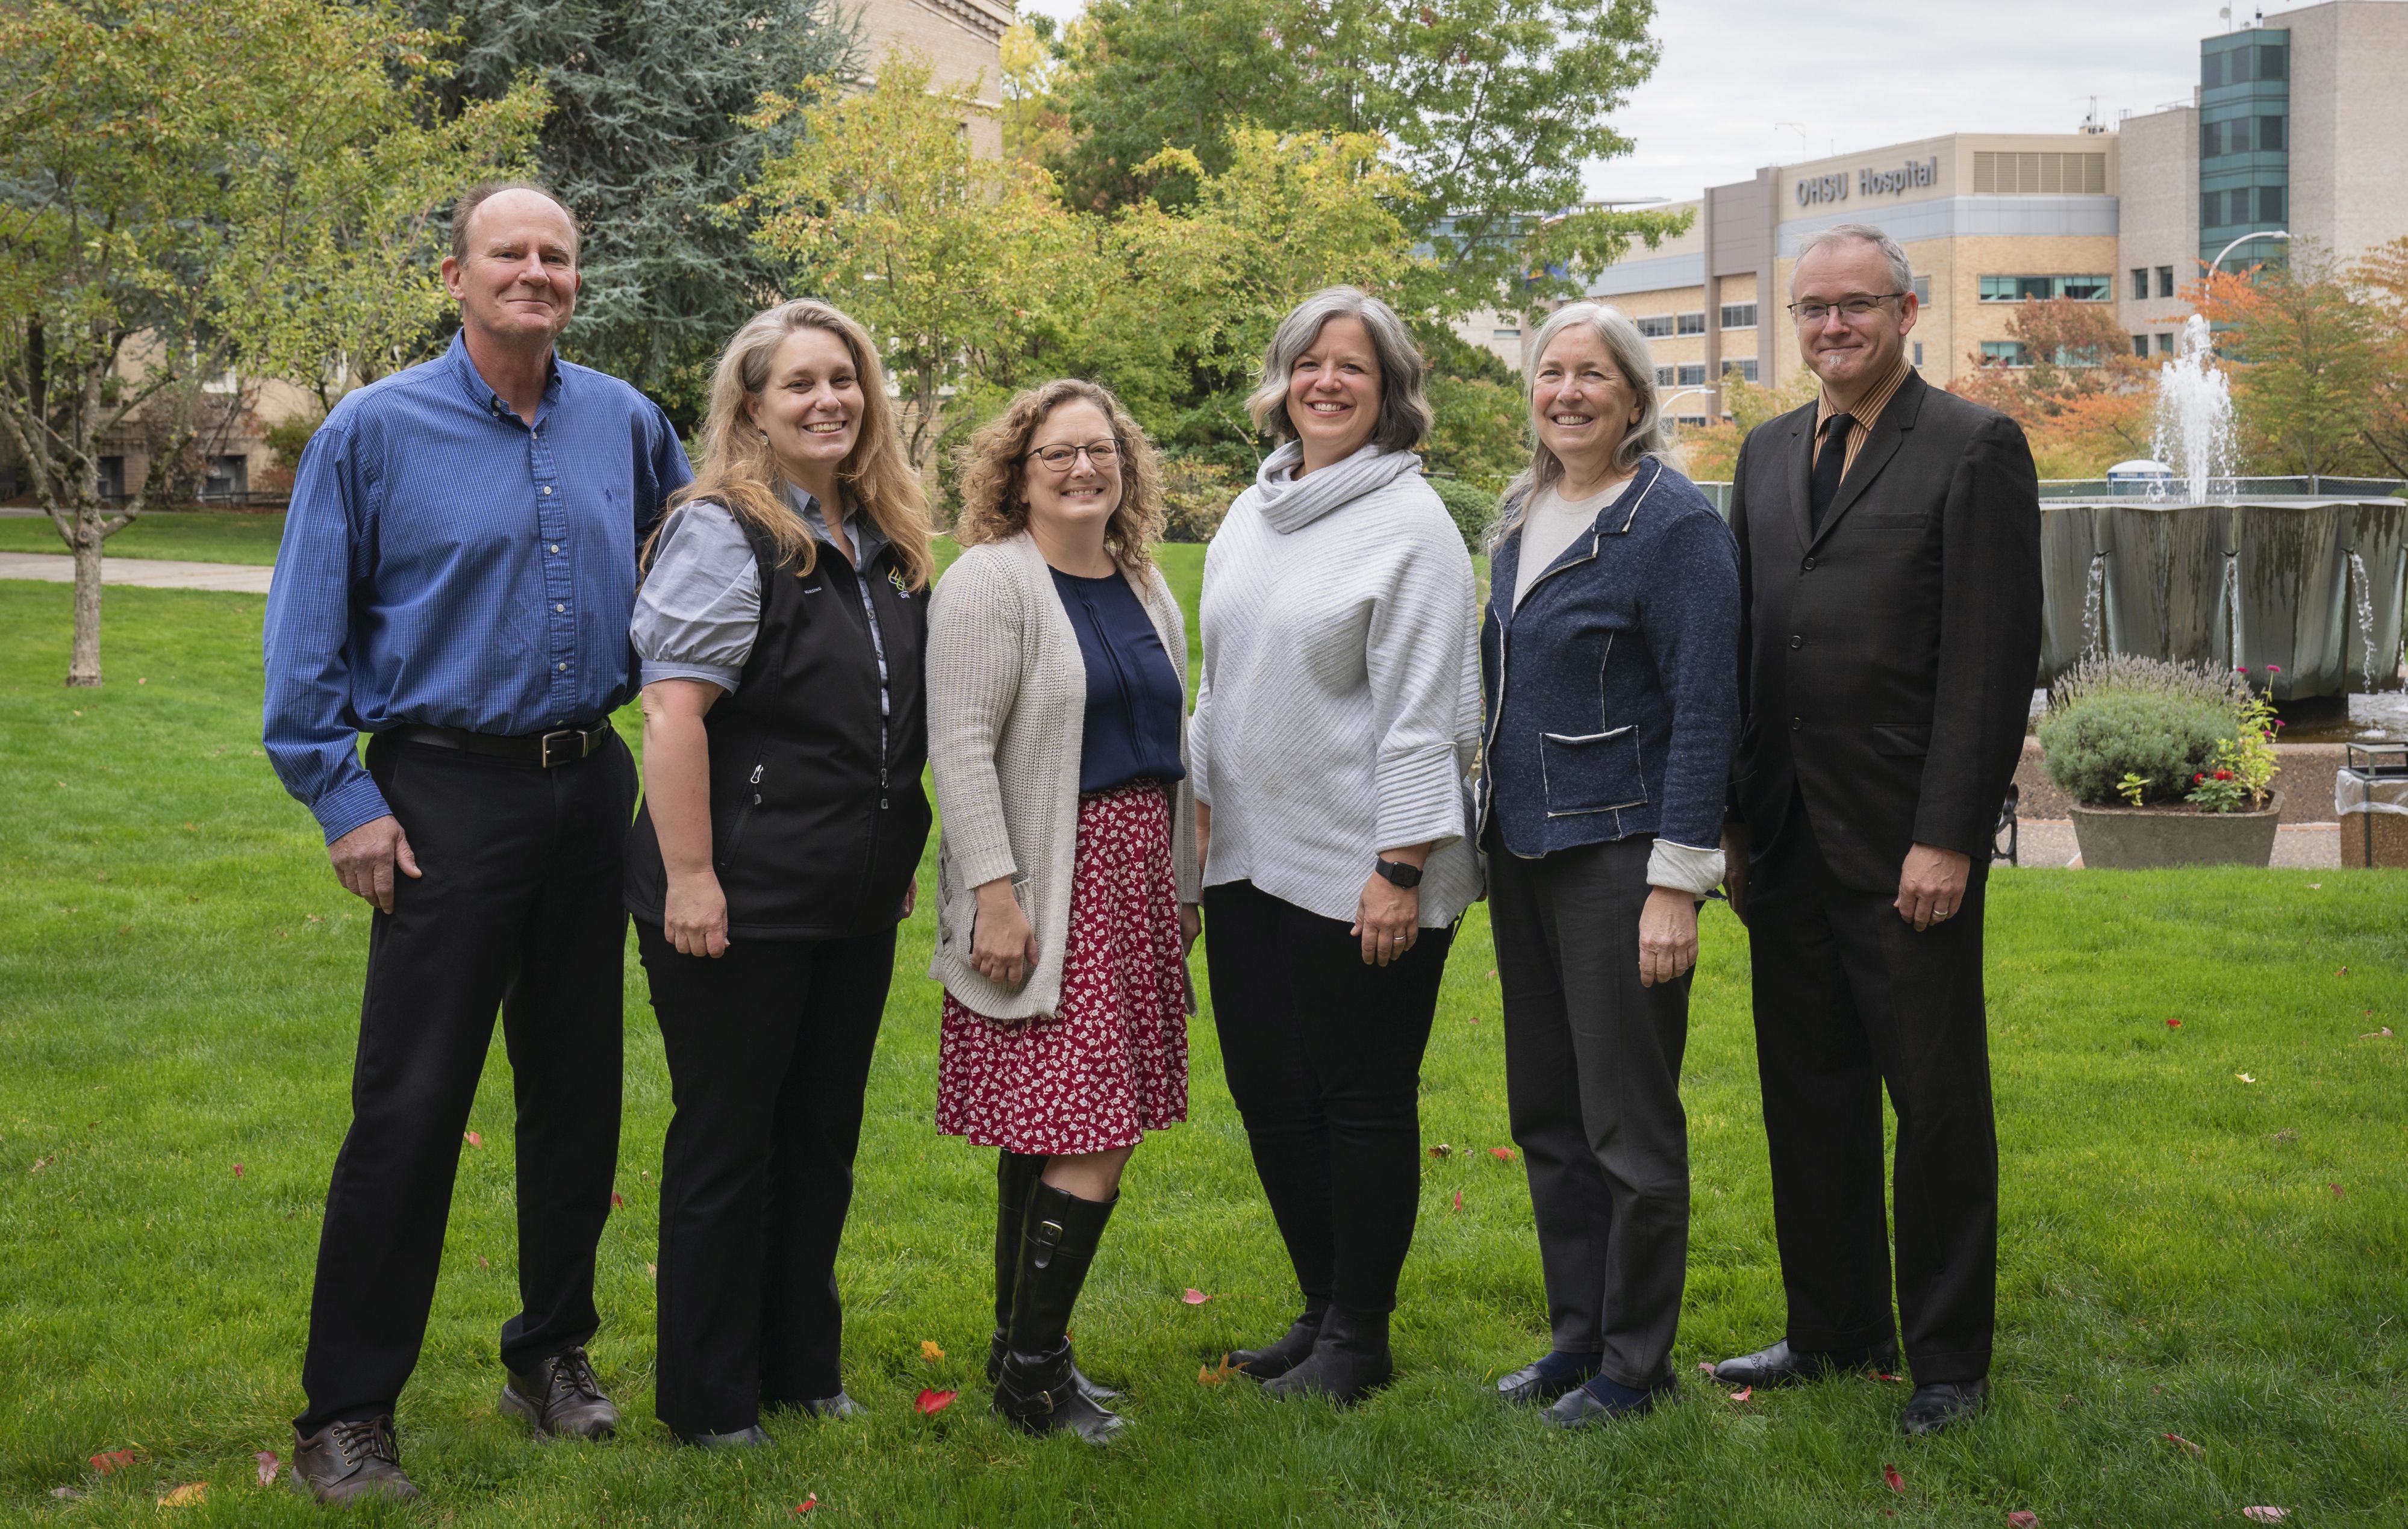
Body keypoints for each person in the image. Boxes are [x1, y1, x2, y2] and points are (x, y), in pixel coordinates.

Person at [261, 182, 691, 1503]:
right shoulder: (373, 432)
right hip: (441, 798)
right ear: (455, 275)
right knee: (409, 1105)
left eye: (557, 255)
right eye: (510, 253)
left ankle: (551, 1353)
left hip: (587, 790)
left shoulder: (627, 423)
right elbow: (305, 639)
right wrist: (346, 801)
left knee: (577, 1097)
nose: (536, 272)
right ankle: (346, 1411)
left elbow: (698, 583)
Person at [1711, 224, 2041, 1436]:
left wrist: (1949, 833)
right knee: (1809, 1099)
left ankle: (1948, 1362)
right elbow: (1749, 648)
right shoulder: (1760, 456)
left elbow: (1990, 660)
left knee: (1937, 1107)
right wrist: (1735, 822)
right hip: (1788, 839)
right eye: (1811, 309)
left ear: (1907, 310)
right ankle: (1831, 1328)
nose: (1832, 328)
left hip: (1908, 844)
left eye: (1855, 306)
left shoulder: (1972, 448)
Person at [620, 299, 935, 1447]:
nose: (828, 402)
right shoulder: (724, 529)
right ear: (750, 405)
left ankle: (801, 1366)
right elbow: (670, 712)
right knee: (727, 1142)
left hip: (846, 899)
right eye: (800, 383)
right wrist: (693, 876)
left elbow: (883, 719)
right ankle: (708, 1402)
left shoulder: (883, 540)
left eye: (844, 380)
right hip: (733, 897)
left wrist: (880, 855)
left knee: (819, 1135)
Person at [1190, 285, 1482, 1404]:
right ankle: (1317, 1309)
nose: (1326, 382)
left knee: (1359, 1098)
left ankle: (1361, 1335)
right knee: (1271, 1093)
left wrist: (1399, 870)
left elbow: (1431, 715)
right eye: (1309, 362)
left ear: (1389, 391)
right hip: (1249, 860)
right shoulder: (1251, 512)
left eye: (1351, 367)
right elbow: (1220, 693)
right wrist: (1198, 843)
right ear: (1280, 379)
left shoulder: (1412, 529)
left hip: (1368, 866)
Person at [1477, 303, 1740, 1427]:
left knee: (1629, 1126)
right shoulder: (1521, 510)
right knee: (1548, 1114)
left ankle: (1634, 1367)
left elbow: (1705, 707)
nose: (1567, 392)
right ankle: (1574, 1340)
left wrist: (1675, 883)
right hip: (1525, 853)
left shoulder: (1671, 525)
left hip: (1620, 859)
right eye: (1551, 373)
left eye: (1593, 375)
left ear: (1634, 398)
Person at [926, 379, 1200, 1445]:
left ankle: (1016, 1355)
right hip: (1049, 878)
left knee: (1050, 1131)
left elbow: (1169, 752)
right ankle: (1036, 1375)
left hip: (1134, 880)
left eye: (1101, 452)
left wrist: (1176, 891)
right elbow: (958, 746)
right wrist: (995, 893)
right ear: (1017, 473)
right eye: (1058, 455)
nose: (1084, 470)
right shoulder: (992, 582)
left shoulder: (1143, 584)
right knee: (1092, 1131)